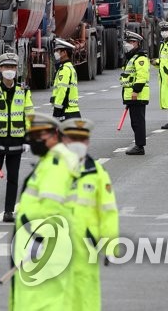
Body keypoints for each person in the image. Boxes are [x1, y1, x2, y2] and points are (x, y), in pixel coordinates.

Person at [9, 115, 80, 311]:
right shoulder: (49, 160)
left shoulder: (56, 164)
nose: (35, 140)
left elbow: (52, 207)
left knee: (44, 301)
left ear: (55, 135)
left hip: (41, 245)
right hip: (36, 242)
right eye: (32, 135)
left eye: (40, 135)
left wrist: (40, 243)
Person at [64, 118, 119, 311]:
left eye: (82, 140)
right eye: (73, 139)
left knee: (87, 299)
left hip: (86, 248)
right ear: (65, 142)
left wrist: (110, 246)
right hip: (55, 248)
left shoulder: (97, 173)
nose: (78, 144)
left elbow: (108, 212)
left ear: (87, 143)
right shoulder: (51, 170)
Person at [0, 53, 34, 223]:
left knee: (13, 178)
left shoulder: (23, 91)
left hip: (17, 142)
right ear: (0, 69)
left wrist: (28, 139)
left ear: (16, 70)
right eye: (6, 67)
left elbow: (29, 116)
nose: (9, 70)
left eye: (12, 67)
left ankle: (9, 212)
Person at [120, 31, 150, 155]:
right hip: (132, 95)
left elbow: (142, 77)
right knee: (135, 122)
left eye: (131, 42)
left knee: (138, 122)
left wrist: (135, 91)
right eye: (128, 42)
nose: (128, 44)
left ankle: (140, 146)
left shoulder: (140, 58)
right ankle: (138, 144)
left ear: (137, 43)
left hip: (137, 95)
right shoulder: (132, 58)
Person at [50, 38, 80, 121]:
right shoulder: (70, 67)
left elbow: (62, 90)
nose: (56, 53)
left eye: (58, 51)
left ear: (64, 53)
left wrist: (57, 109)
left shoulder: (65, 70)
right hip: (72, 110)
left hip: (66, 111)